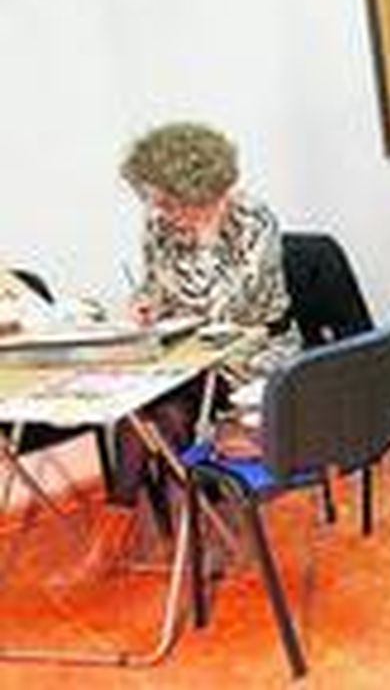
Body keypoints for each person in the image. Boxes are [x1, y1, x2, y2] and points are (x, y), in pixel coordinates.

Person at [83, 122, 300, 576]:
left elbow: (228, 306)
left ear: (198, 191)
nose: (157, 210)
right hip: (190, 356)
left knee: (165, 412)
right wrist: (145, 304)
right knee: (149, 411)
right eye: (153, 199)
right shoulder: (161, 224)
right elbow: (155, 285)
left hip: (255, 355)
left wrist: (203, 236)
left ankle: (183, 527)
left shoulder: (253, 221)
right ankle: (174, 523)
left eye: (167, 200)